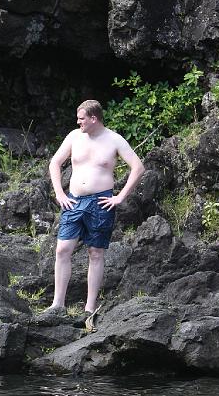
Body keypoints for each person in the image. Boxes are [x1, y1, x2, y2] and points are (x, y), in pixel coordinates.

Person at [46, 99, 145, 324]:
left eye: (81, 118)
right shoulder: (74, 136)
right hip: (73, 200)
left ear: (93, 118)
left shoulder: (114, 140)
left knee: (96, 252)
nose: (78, 121)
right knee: (63, 249)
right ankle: (57, 304)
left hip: (101, 203)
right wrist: (59, 193)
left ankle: (89, 308)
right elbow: (55, 163)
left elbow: (138, 168)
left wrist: (120, 197)